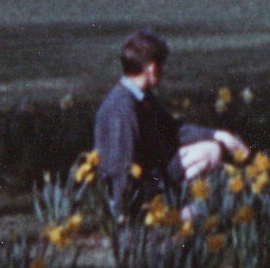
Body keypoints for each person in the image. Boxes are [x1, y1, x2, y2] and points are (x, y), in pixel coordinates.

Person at [92, 28, 245, 207]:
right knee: (209, 156)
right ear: (151, 68)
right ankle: (179, 211)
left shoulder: (140, 97)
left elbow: (173, 130)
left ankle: (182, 206)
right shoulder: (122, 108)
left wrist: (218, 135)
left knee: (211, 149)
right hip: (138, 193)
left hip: (152, 176)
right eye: (161, 66)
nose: (163, 72)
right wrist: (123, 216)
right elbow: (118, 167)